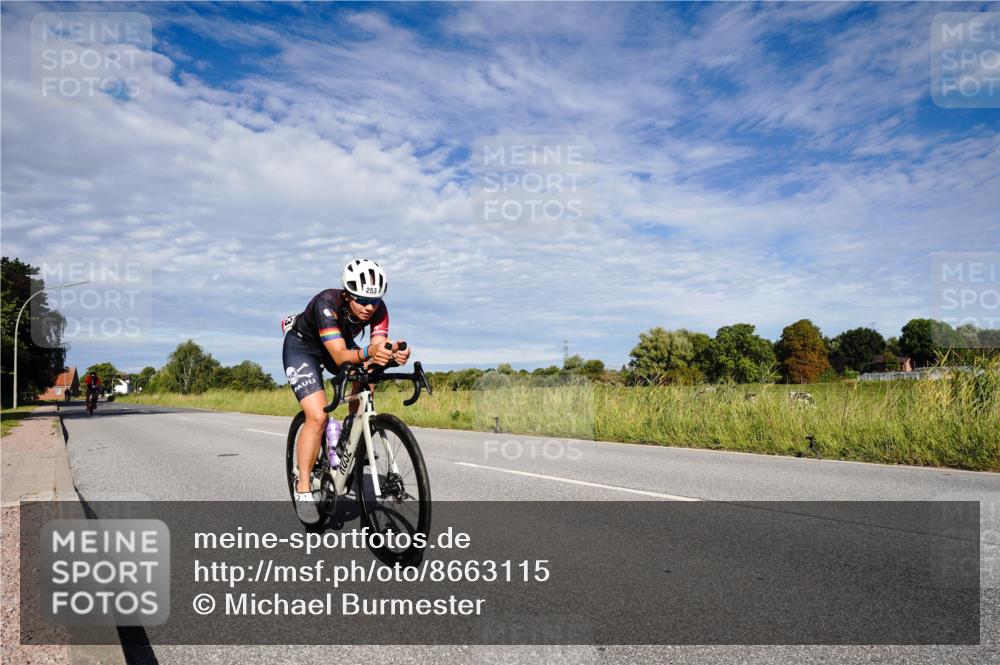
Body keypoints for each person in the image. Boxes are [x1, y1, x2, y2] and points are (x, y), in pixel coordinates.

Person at [282, 259, 411, 523]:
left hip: (338, 342)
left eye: (374, 301)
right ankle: (304, 488)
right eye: (362, 300)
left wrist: (394, 352)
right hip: (304, 347)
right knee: (317, 417)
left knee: (371, 368)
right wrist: (368, 352)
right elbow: (341, 356)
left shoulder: (378, 309)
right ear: (347, 295)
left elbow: (377, 349)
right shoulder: (326, 303)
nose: (369, 307)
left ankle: (351, 430)